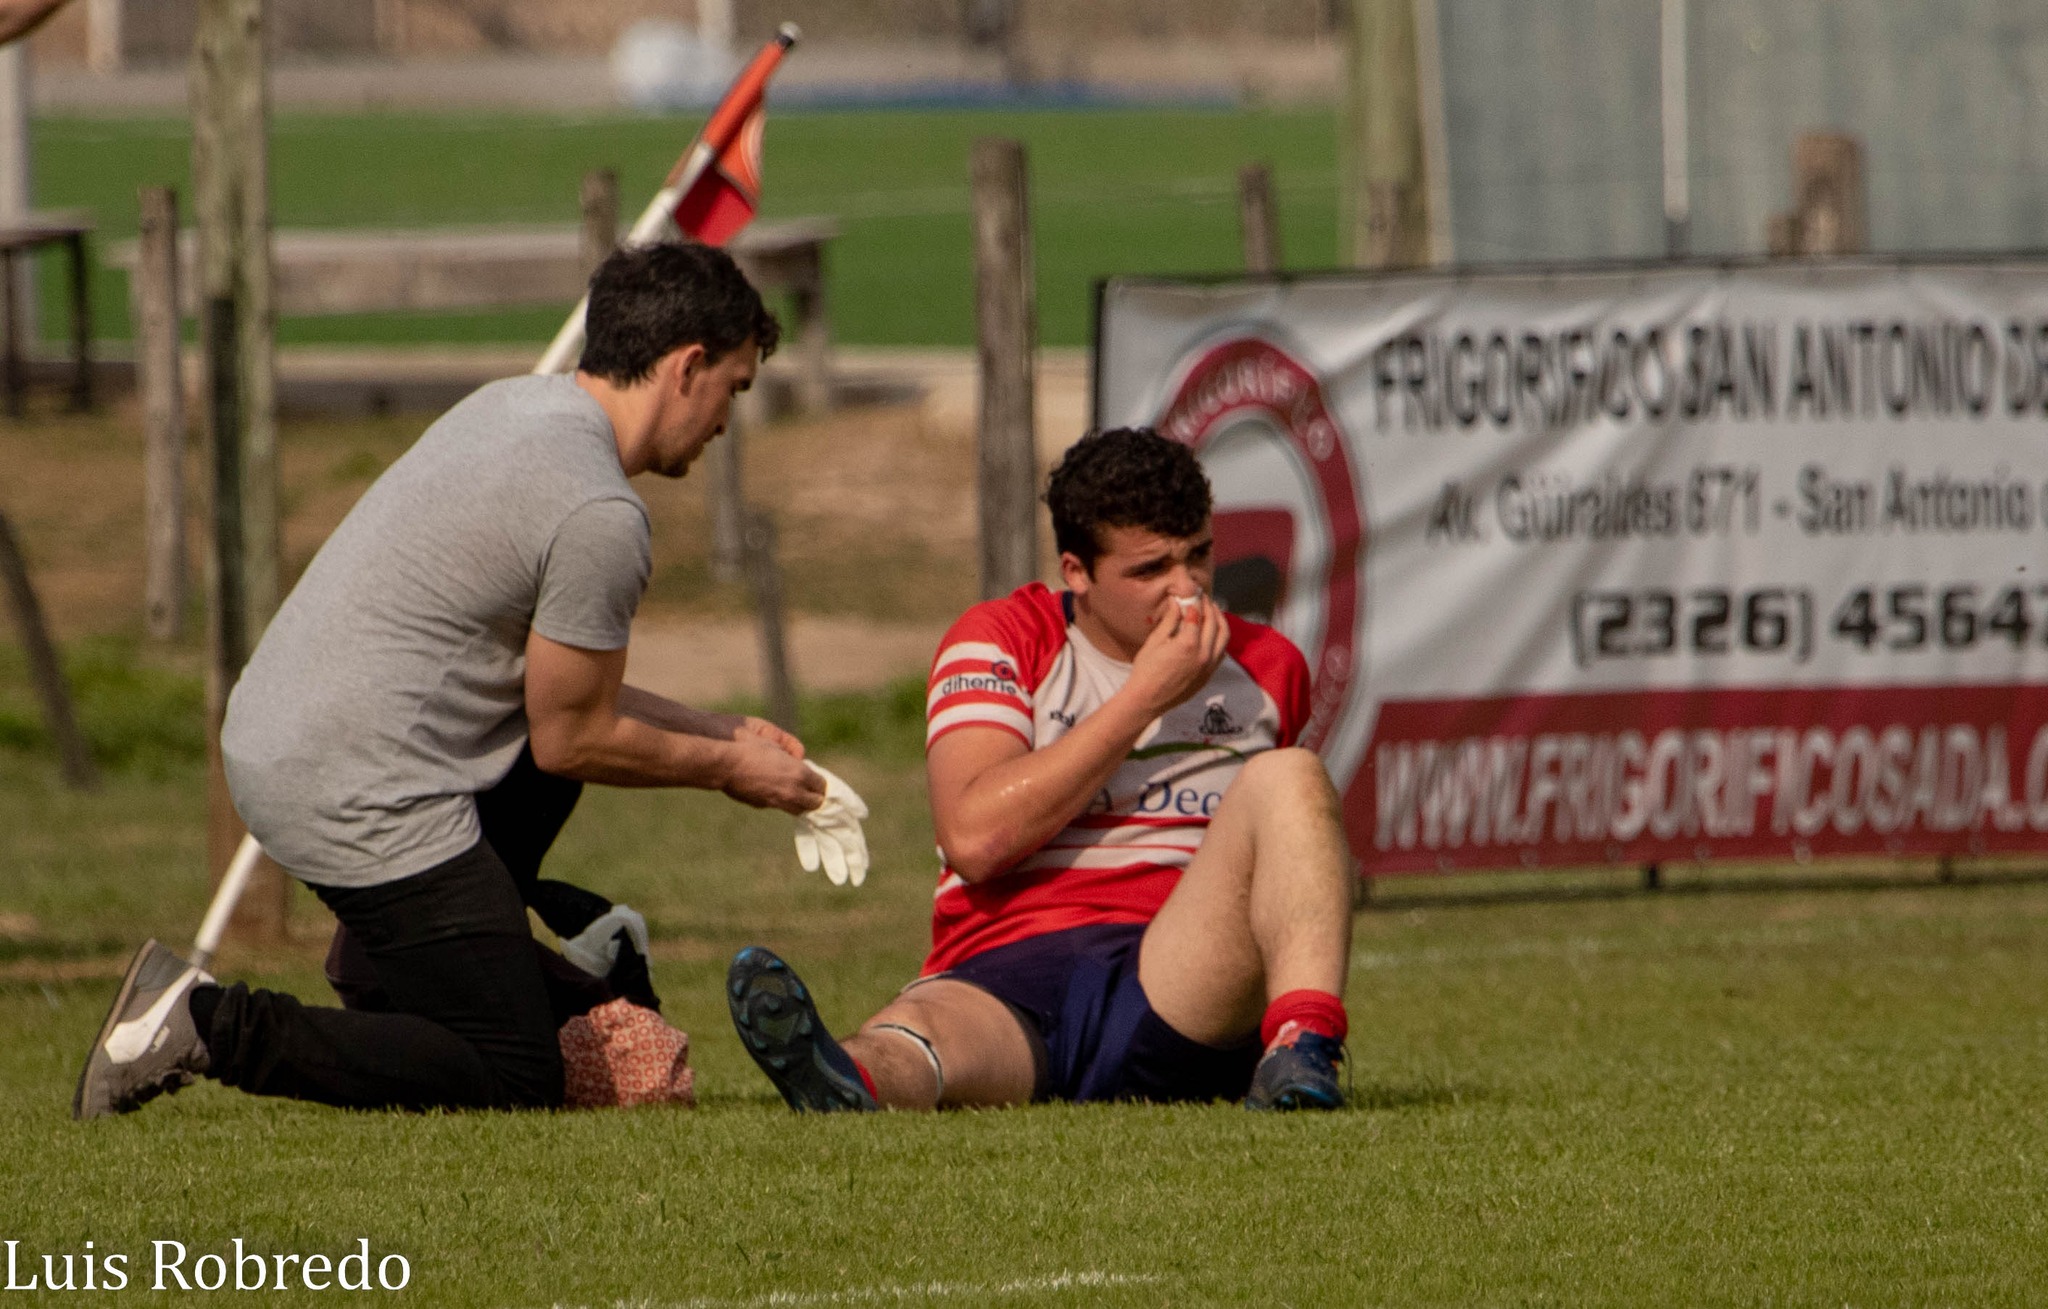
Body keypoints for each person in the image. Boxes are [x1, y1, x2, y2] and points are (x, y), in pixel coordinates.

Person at [75, 241, 829, 1119]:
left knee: (542, 796)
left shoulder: (514, 406)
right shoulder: (600, 512)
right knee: (514, 1072)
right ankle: (203, 1022)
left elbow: (561, 702)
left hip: (285, 730)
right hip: (350, 776)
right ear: (688, 367)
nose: (728, 422)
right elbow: (570, 733)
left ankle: (402, 964)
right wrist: (728, 770)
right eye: (733, 391)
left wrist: (719, 730)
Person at [725, 427, 1355, 1112]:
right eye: (1150, 570)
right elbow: (975, 840)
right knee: (916, 1036)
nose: (1187, 591)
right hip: (1009, 967)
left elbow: (1285, 866)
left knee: (1291, 776)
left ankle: (1302, 1049)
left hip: (1177, 974)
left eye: (1199, 556)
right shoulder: (1001, 638)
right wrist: (1145, 695)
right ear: (1076, 571)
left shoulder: (1269, 665)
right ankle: (847, 1081)